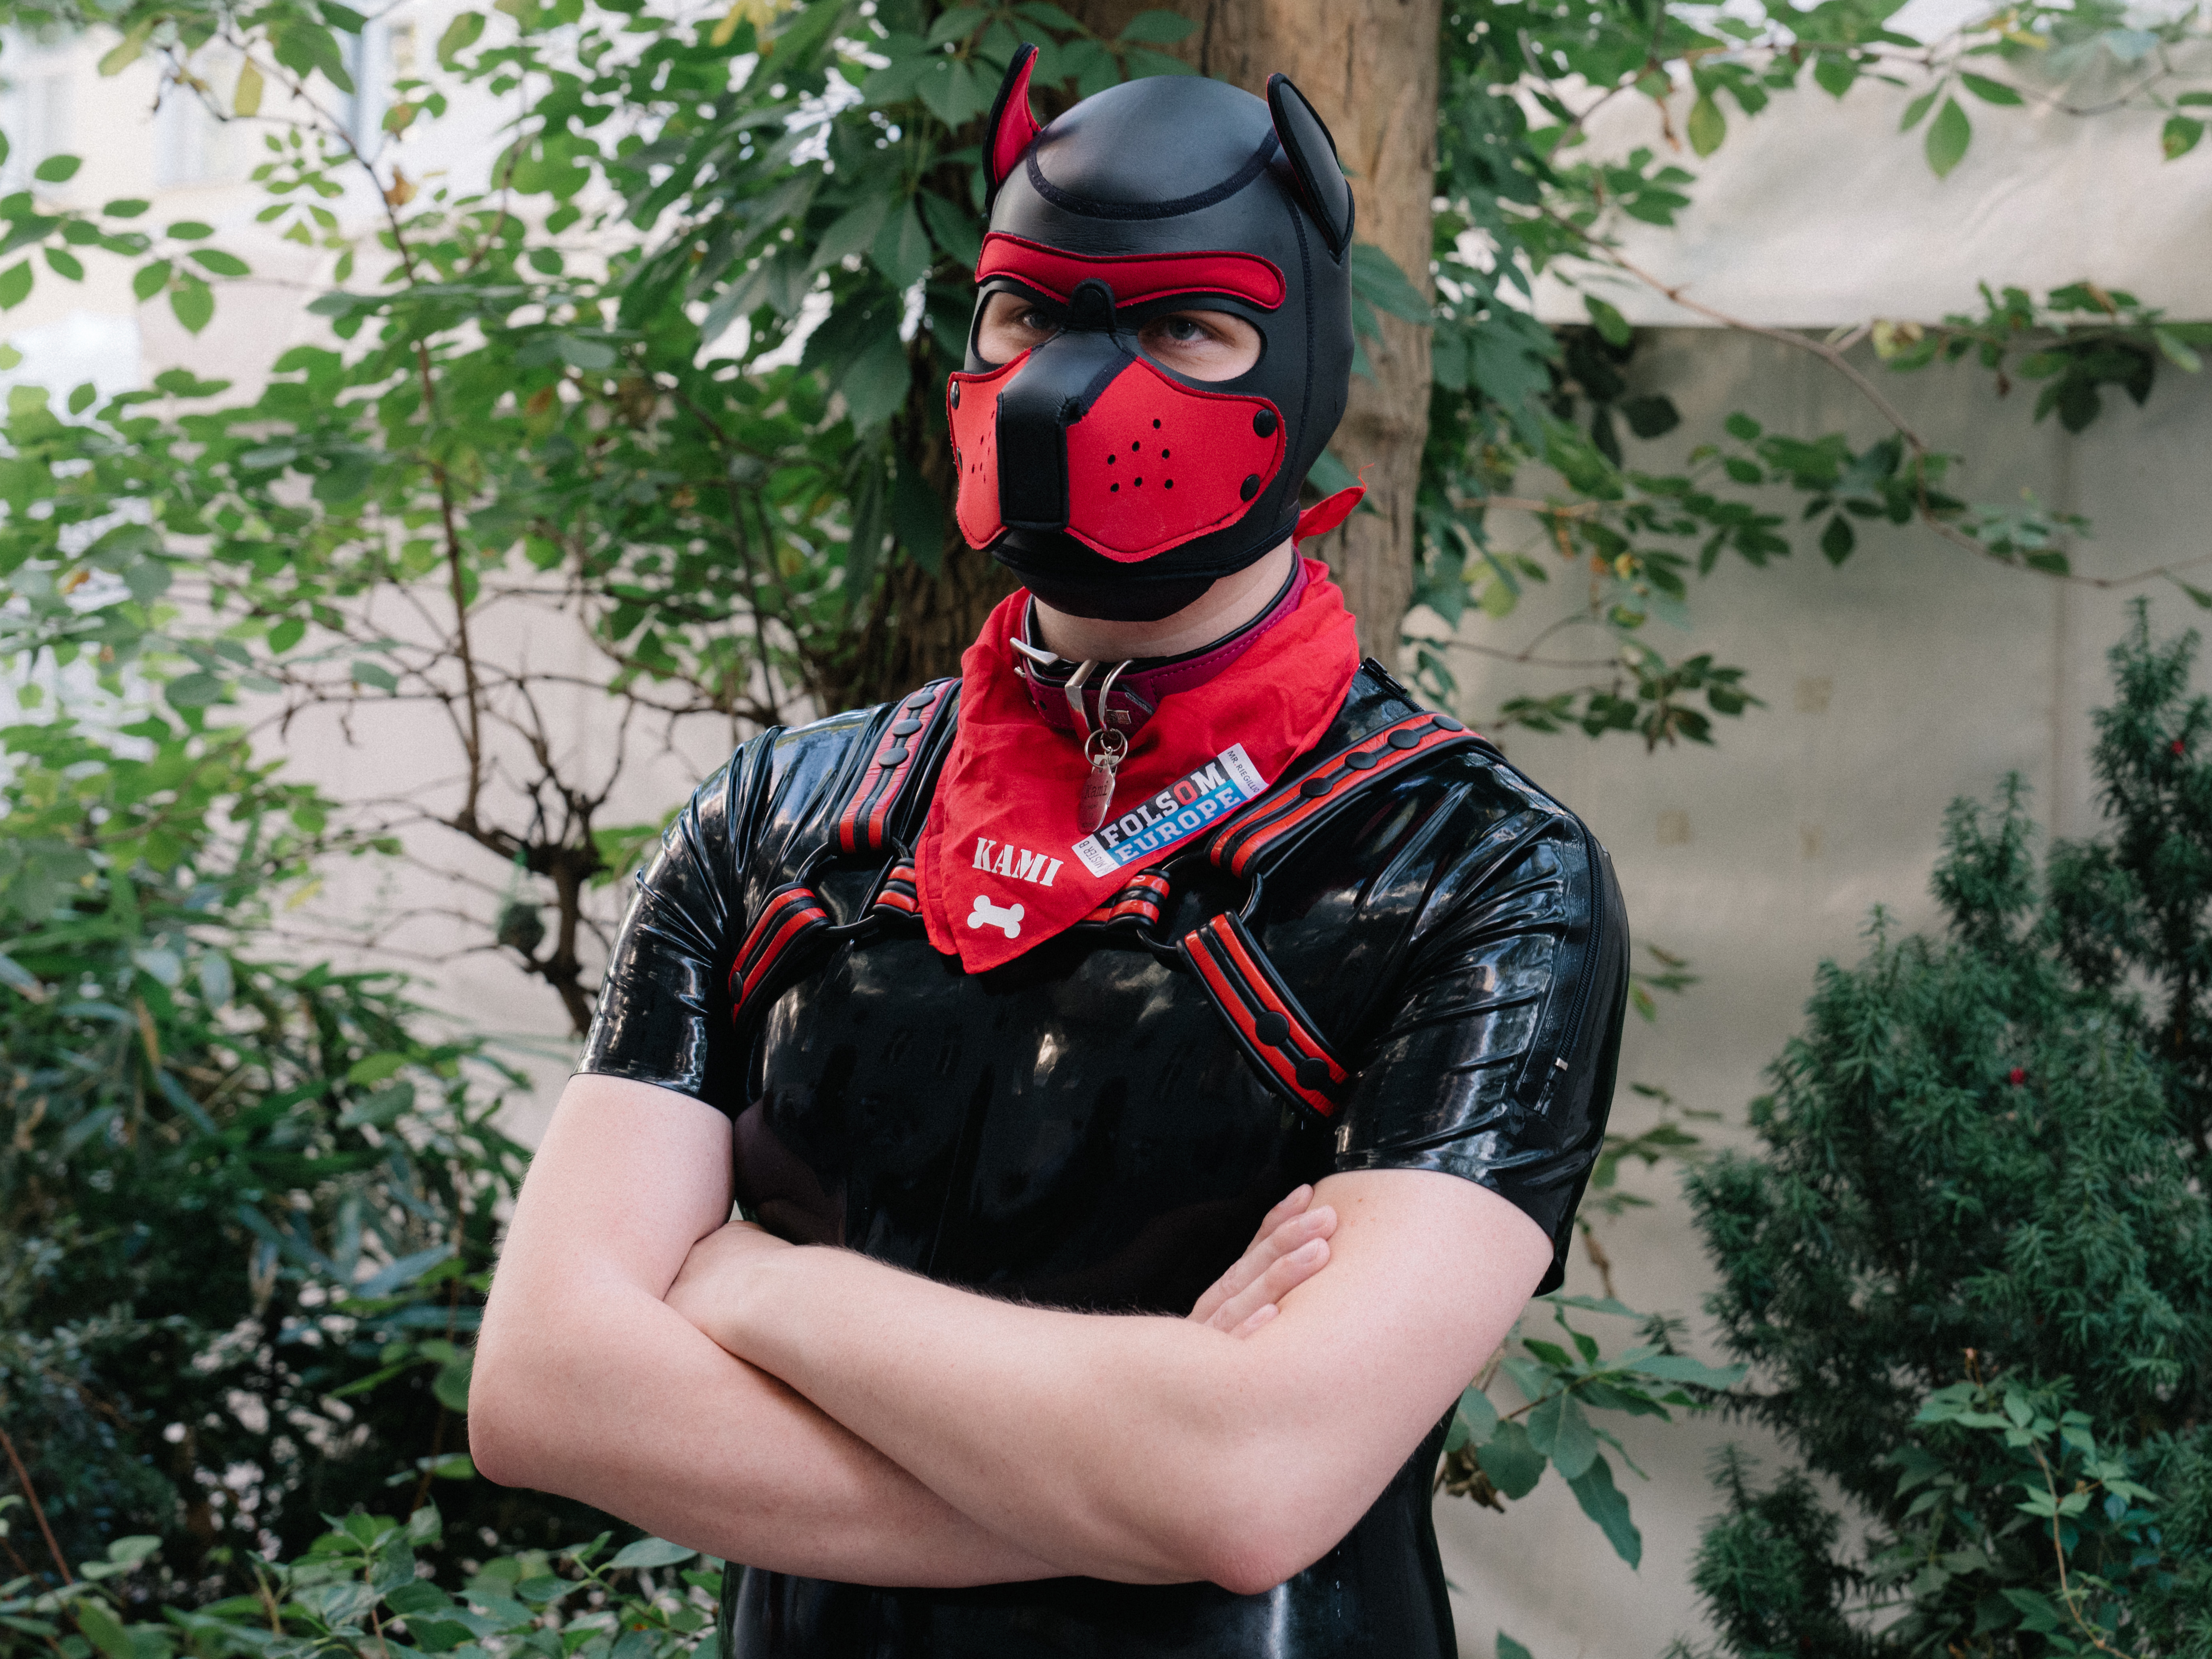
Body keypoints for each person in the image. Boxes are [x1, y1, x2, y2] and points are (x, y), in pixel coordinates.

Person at [471, 52, 1629, 1659]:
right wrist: (1135, 1487)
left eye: (1178, 326)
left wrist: (761, 1289)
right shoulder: (777, 824)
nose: (1065, 389)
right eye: (1025, 314)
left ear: (1292, 360)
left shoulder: (1473, 873)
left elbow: (1252, 1478)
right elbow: (546, 1390)